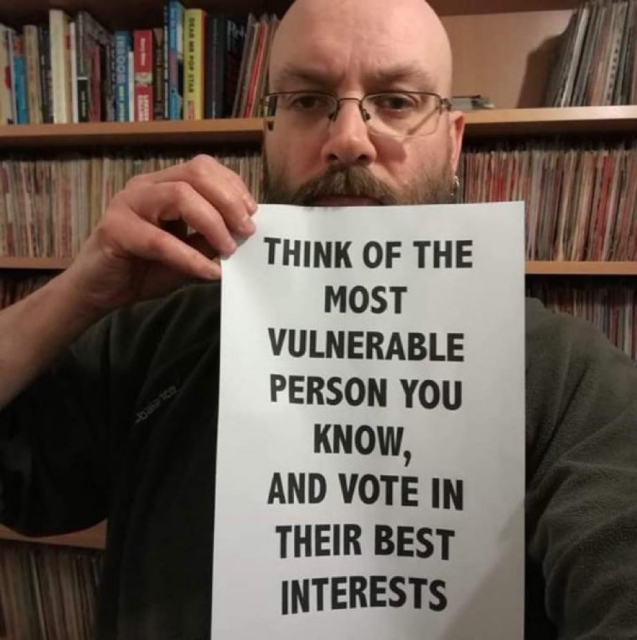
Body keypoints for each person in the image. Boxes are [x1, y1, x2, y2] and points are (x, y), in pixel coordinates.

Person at [1, 0, 636, 638]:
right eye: (307, 100)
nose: (349, 140)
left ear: (453, 142)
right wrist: (80, 291)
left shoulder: (566, 374)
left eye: (397, 101)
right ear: (268, 133)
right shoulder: (157, 333)